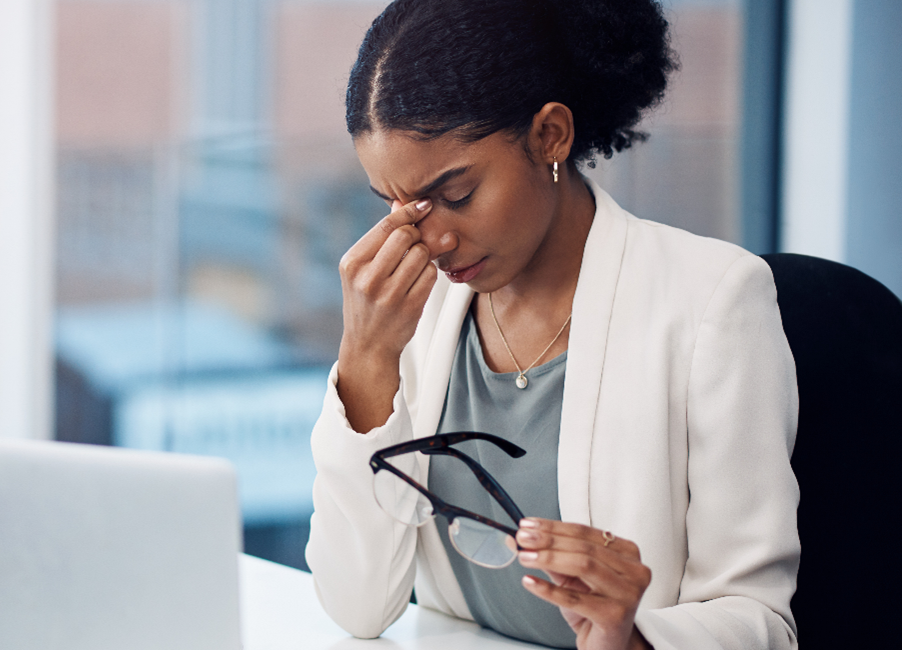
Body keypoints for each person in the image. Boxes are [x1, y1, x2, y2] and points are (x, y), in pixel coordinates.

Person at [303, 1, 800, 649]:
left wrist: (636, 639)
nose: (435, 238)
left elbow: (759, 621)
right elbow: (357, 608)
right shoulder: (412, 315)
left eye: (455, 195)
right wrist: (366, 361)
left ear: (549, 137)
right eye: (400, 209)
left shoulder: (710, 301)